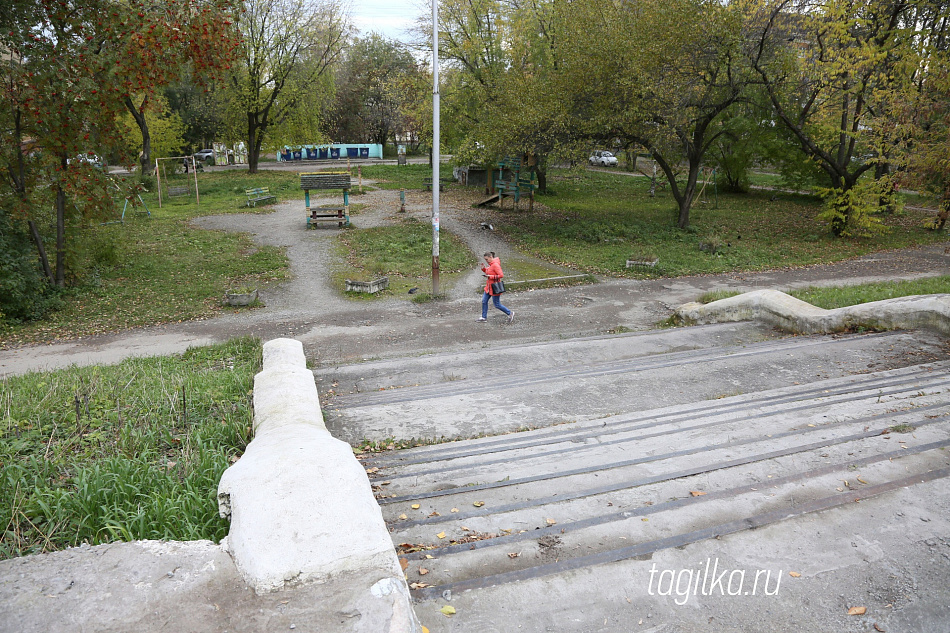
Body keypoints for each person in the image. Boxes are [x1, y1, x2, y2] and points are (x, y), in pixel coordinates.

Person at [478, 251, 514, 323]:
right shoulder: (490, 264)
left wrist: (490, 277)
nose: (486, 261)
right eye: (485, 260)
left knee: (497, 304)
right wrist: (483, 269)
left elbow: (501, 275)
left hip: (495, 288)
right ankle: (483, 317)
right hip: (488, 287)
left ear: (491, 257)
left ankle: (510, 313)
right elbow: (489, 272)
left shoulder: (495, 265)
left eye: (487, 259)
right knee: (484, 301)